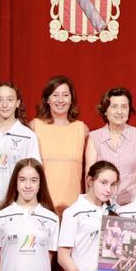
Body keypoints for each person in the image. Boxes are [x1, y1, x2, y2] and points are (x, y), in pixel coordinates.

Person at [0, 82, 42, 215]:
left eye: (10, 99)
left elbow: (36, 174)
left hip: (15, 209)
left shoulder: (28, 136)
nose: (5, 104)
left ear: (18, 103)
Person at [31, 76, 90, 215]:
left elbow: (90, 170)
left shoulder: (82, 129)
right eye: (55, 95)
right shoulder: (35, 127)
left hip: (73, 208)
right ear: (47, 99)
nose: (60, 100)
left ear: (71, 99)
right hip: (41, 206)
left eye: (65, 95)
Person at [85, 86, 136, 206]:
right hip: (103, 205)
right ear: (105, 110)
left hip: (133, 205)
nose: (119, 112)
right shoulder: (94, 137)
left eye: (124, 107)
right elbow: (89, 177)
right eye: (114, 106)